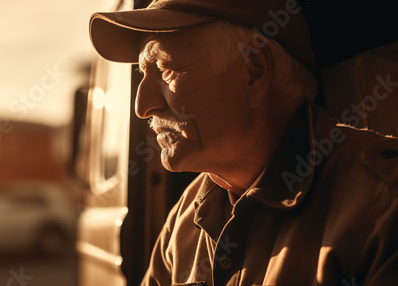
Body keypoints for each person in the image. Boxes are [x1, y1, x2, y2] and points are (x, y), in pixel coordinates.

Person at [89, 0, 398, 285]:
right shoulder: (185, 219)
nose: (142, 106)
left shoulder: (382, 206)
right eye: (143, 73)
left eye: (166, 69)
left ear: (254, 71)